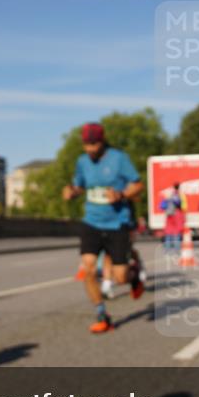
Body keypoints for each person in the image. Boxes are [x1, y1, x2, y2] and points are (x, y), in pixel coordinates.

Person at [62, 123, 145, 334]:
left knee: (120, 277)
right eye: (86, 144)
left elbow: (138, 184)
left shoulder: (119, 158)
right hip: (92, 222)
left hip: (117, 223)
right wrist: (71, 191)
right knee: (88, 269)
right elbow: (79, 185)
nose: (90, 149)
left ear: (102, 140)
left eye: (94, 144)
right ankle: (102, 314)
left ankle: (133, 275)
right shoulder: (82, 161)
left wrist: (121, 195)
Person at [159, 183, 186, 258]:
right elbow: (181, 204)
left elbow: (162, 206)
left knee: (168, 234)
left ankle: (167, 251)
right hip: (176, 215)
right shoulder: (178, 195)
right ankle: (177, 251)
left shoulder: (168, 195)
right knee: (176, 234)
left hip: (168, 215)